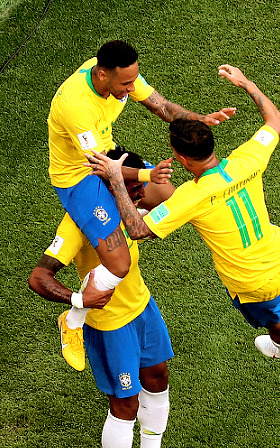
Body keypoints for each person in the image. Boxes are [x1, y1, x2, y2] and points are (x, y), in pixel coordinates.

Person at [84, 65, 280, 360]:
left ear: (180, 158)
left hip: (253, 281)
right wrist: (246, 84)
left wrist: (116, 178)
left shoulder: (191, 197)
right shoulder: (246, 159)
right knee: (274, 282)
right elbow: (275, 120)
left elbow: (138, 230)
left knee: (275, 320)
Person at [48, 39, 236, 315]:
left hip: (108, 156)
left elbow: (161, 106)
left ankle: (122, 213)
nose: (132, 88)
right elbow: (102, 167)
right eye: (126, 84)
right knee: (120, 264)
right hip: (79, 177)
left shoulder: (119, 75)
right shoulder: (76, 107)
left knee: (171, 200)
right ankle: (75, 317)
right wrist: (149, 173)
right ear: (103, 75)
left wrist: (198, 119)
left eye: (134, 79)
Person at [29, 148, 174, 448]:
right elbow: (39, 278)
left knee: (158, 378)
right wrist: (78, 302)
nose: (139, 196)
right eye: (133, 190)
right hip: (109, 325)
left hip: (143, 307)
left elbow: (168, 196)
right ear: (108, 186)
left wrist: (141, 179)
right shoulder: (78, 222)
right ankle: (70, 322)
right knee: (125, 405)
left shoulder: (129, 194)